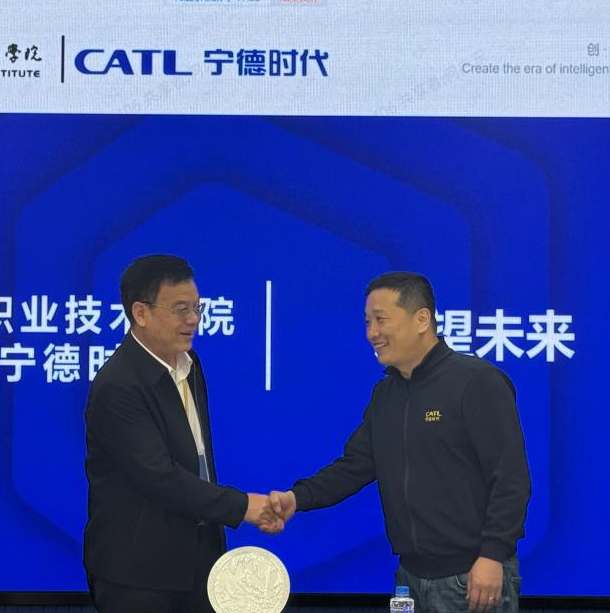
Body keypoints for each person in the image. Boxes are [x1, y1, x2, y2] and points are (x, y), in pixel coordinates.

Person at [270, 272, 530, 613]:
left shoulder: (477, 382)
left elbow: (510, 478)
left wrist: (492, 555)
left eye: (381, 320)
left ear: (422, 319)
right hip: (409, 578)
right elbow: (355, 466)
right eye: (367, 322)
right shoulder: (385, 394)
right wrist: (296, 498)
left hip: (470, 577)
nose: (371, 333)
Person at [84, 254, 282, 613]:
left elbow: (198, 460)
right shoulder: (118, 384)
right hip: (139, 573)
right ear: (140, 313)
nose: (193, 319)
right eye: (180, 310)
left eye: (196, 308)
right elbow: (159, 477)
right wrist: (244, 506)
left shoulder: (190, 363)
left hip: (198, 559)